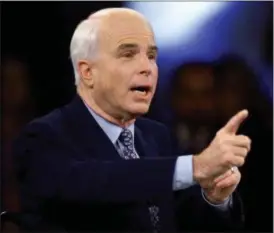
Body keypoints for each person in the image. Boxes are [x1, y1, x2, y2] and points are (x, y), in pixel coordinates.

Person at [13, 8, 251, 232]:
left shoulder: (157, 135)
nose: (146, 67)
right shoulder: (43, 137)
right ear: (88, 72)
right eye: (128, 54)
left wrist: (214, 197)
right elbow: (101, 183)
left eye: (151, 56)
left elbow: (184, 221)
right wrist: (197, 167)